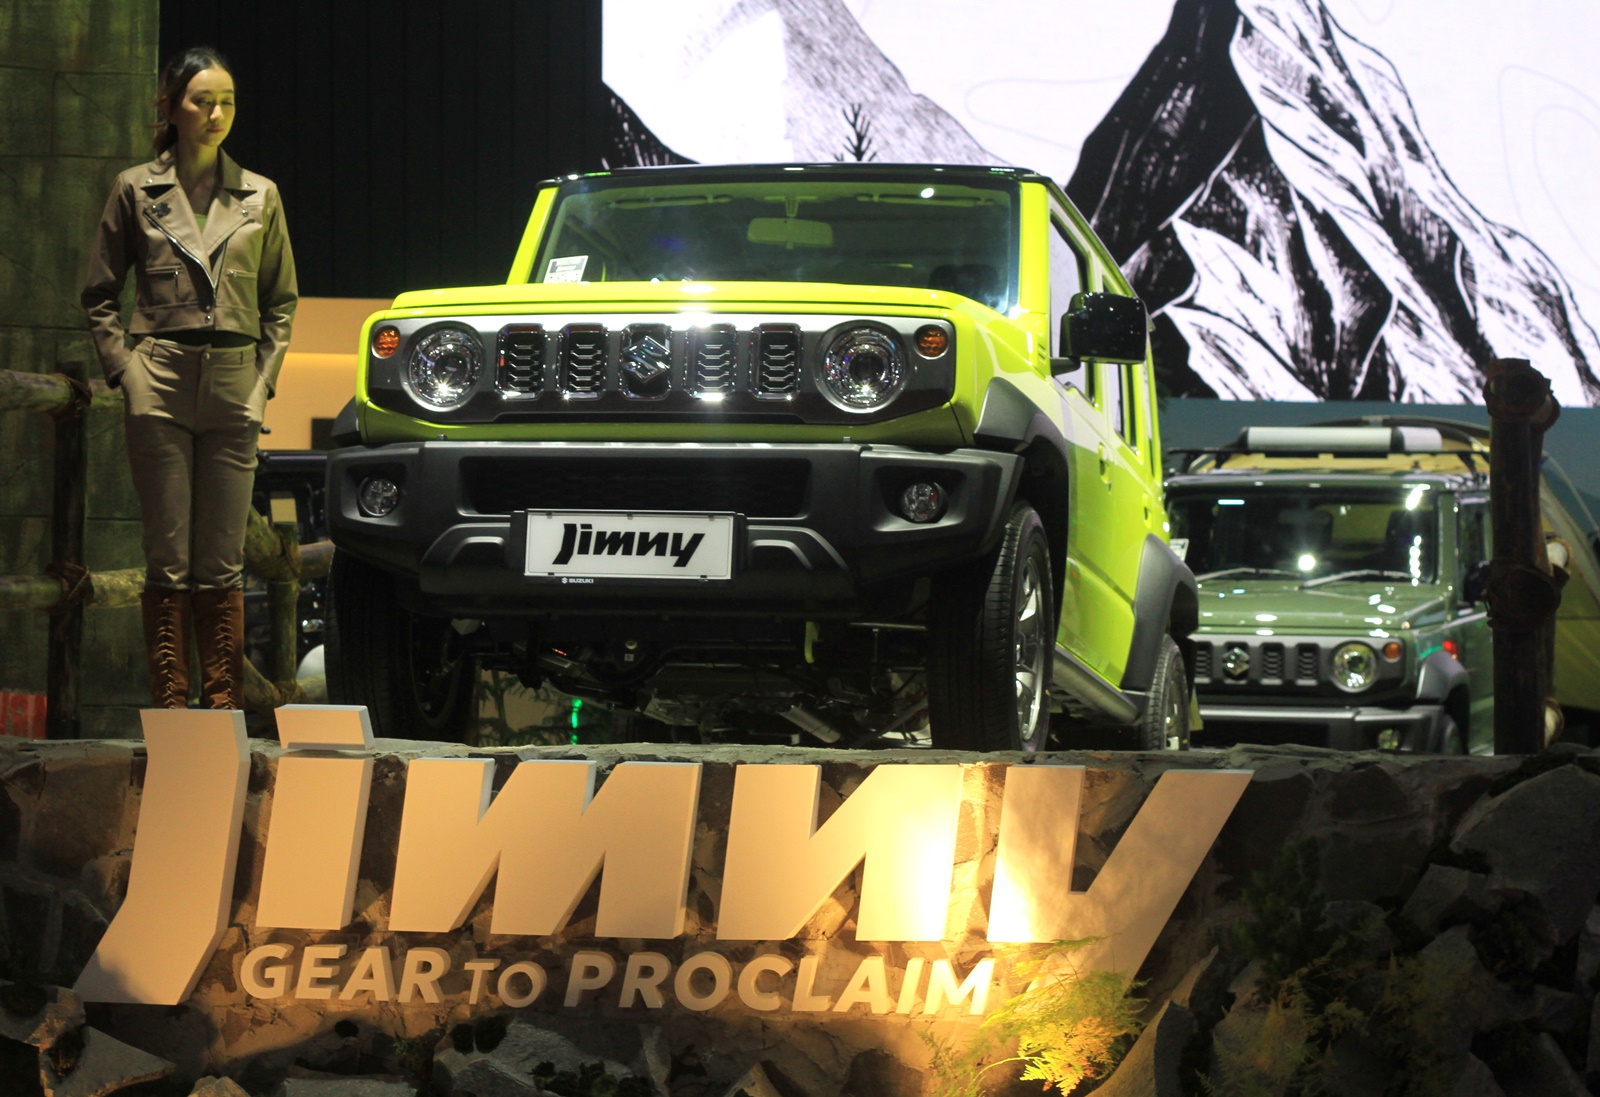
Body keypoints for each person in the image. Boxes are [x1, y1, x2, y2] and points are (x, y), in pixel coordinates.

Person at [82, 46, 297, 710]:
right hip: (161, 380)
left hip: (235, 384)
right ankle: (174, 711)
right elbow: (98, 293)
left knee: (222, 560)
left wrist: (262, 382)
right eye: (203, 101)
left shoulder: (260, 194)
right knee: (168, 558)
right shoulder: (134, 188)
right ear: (171, 107)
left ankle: (222, 709)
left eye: (227, 101)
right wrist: (126, 370)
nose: (217, 113)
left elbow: (281, 302)